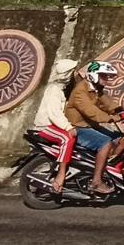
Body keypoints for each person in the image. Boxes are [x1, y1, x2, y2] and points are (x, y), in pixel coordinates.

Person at [65, 61, 124, 194]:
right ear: (93, 75)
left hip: (89, 126)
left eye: (107, 76)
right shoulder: (81, 90)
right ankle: (96, 182)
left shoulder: (96, 89)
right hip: (79, 127)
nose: (106, 79)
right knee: (105, 143)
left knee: (121, 138)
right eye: (103, 76)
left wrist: (122, 112)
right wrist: (112, 118)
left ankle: (107, 168)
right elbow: (92, 111)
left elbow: (107, 103)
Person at [31, 59, 78, 193]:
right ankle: (61, 174)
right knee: (67, 139)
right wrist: (68, 127)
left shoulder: (59, 90)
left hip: (52, 126)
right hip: (45, 127)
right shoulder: (54, 90)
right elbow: (54, 113)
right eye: (72, 72)